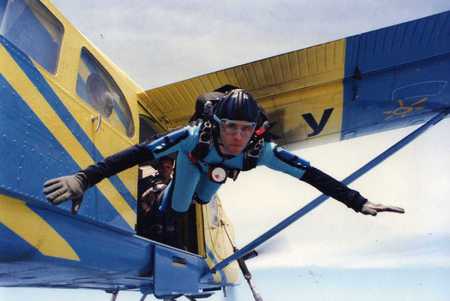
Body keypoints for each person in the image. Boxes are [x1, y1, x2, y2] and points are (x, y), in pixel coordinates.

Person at [43, 89, 404, 228]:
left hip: (213, 174)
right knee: (179, 209)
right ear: (215, 124)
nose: (236, 136)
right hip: (192, 161)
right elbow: (137, 153)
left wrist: (358, 202)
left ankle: (180, 197)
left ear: (255, 131)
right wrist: (83, 179)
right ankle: (161, 203)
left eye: (245, 130)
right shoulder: (190, 136)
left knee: (205, 196)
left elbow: (312, 175)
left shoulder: (262, 151)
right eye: (229, 127)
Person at [137, 156, 174, 241]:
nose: (165, 169)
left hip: (169, 228)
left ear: (172, 169)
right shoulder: (147, 182)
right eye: (162, 166)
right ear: (157, 168)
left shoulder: (176, 186)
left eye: (168, 167)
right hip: (147, 225)